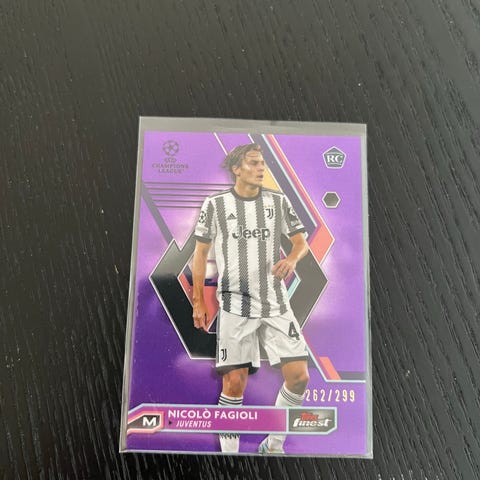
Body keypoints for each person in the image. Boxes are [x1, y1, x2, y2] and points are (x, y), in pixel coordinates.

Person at [192, 143, 309, 454]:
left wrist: (292, 259)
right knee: (234, 385)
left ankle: (273, 446)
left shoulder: (277, 202)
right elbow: (200, 254)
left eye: (262, 163)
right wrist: (198, 301)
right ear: (237, 169)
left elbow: (301, 243)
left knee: (299, 377)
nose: (261, 169)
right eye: (254, 163)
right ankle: (230, 458)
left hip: (274, 302)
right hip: (235, 305)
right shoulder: (215, 205)